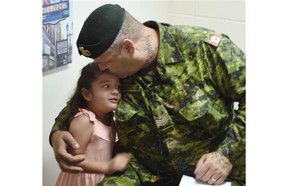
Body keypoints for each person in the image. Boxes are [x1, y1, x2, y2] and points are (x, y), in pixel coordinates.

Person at [50, 4, 246, 186]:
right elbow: (84, 101)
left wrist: (226, 154)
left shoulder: (202, 50)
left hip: (211, 173)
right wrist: (57, 132)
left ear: (128, 48)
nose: (101, 68)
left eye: (105, 62)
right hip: (144, 173)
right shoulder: (116, 72)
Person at [54, 62, 131, 186]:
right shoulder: (85, 121)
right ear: (87, 94)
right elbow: (73, 160)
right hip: (81, 180)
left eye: (118, 87)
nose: (115, 92)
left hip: (100, 177)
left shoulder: (110, 117)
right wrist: (107, 167)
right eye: (106, 86)